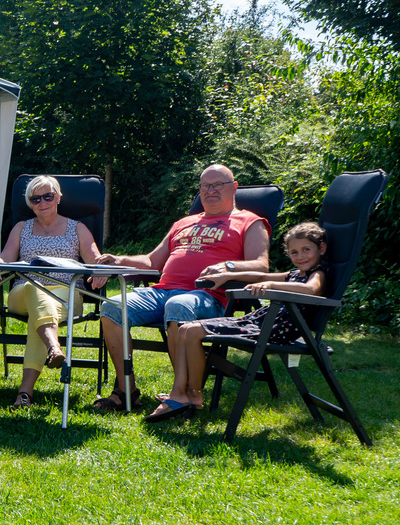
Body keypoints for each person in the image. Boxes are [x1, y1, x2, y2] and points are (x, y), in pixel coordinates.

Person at [90, 164, 270, 413]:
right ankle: (125, 390)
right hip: (162, 291)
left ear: (234, 187)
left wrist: (228, 266)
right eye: (205, 185)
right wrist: (118, 260)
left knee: (178, 305)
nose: (210, 190)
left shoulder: (250, 222)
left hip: (208, 296)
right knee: (112, 306)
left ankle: (183, 394)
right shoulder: (184, 222)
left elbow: (261, 265)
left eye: (218, 184)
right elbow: (152, 261)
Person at [146, 221, 331, 422]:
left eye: (306, 250)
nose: (300, 256)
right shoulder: (294, 275)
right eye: (294, 252)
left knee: (192, 331)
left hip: (275, 329)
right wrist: (228, 276)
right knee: (185, 329)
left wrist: (272, 285)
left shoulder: (317, 274)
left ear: (321, 248)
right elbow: (261, 275)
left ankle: (193, 394)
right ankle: (181, 392)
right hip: (262, 322)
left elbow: (311, 290)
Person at [0, 175, 104, 409]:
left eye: (48, 196)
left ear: (58, 197)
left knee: (39, 316)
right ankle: (53, 347)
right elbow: (5, 257)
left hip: (67, 294)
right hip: (24, 292)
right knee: (35, 289)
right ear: (30, 203)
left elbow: (95, 259)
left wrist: (101, 270)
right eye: (36, 199)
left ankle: (25, 394)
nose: (42, 202)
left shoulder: (77, 228)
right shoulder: (22, 228)